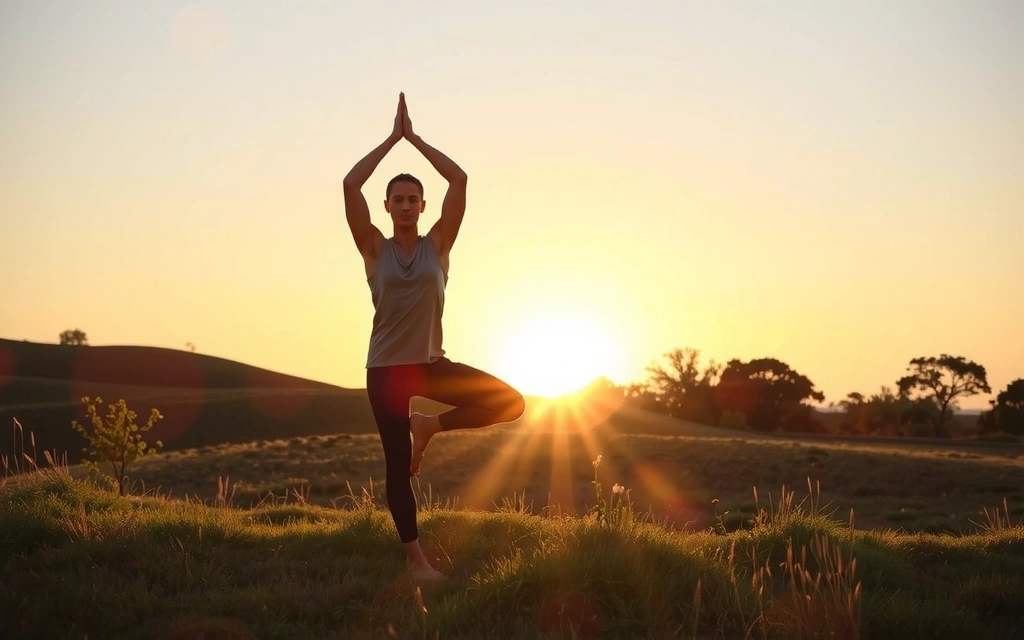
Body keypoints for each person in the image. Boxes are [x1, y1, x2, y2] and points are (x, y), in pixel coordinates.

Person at [342, 93, 526, 581]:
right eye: (396, 199)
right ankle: (416, 561)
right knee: (398, 465)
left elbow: (460, 179)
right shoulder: (373, 248)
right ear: (387, 206)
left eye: (412, 199)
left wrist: (415, 139)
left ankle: (430, 426)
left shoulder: (439, 244)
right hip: (385, 371)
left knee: (510, 402)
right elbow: (349, 183)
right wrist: (390, 139)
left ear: (422, 206)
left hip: (429, 363)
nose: (405, 205)